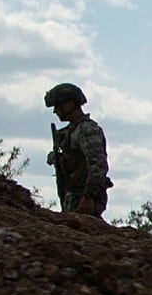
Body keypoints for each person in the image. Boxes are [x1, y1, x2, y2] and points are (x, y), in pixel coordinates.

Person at [44, 82, 111, 216]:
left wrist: (88, 196)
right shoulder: (72, 132)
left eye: (58, 105)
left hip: (84, 198)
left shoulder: (86, 130)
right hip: (75, 196)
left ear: (69, 104)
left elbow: (98, 166)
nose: (55, 111)